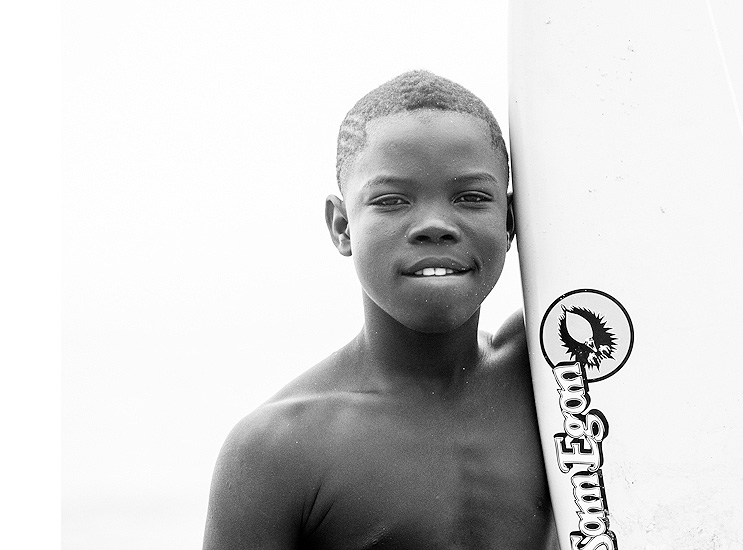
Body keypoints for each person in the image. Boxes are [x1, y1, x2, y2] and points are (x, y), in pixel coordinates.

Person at [202, 70, 555, 549]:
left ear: (511, 221)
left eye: (471, 198)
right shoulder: (276, 451)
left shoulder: (556, 376)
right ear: (343, 226)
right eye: (392, 201)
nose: (434, 225)